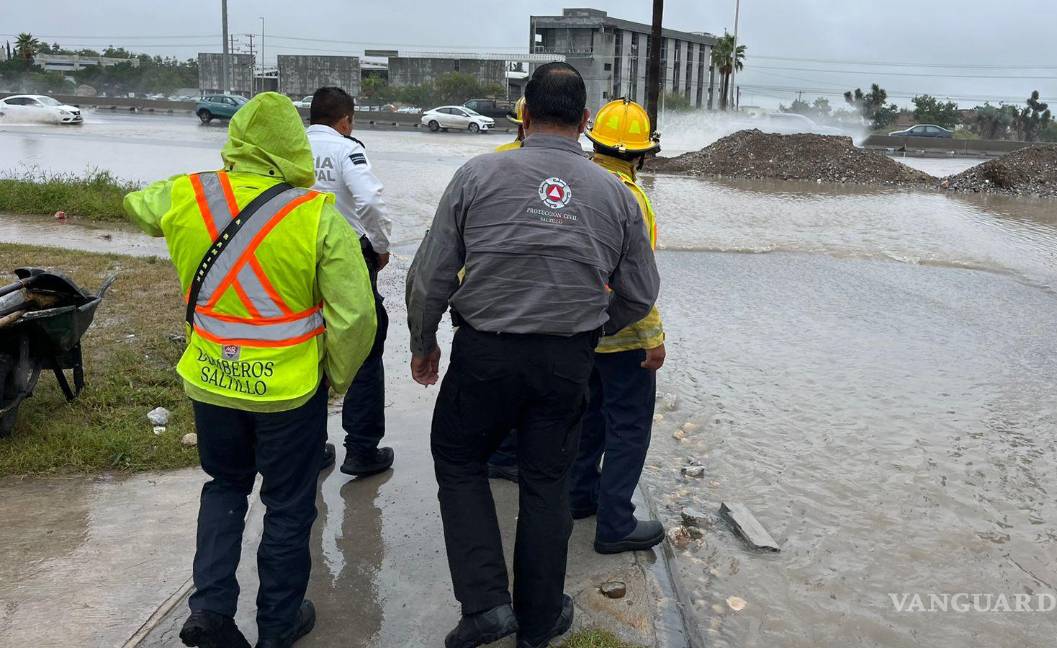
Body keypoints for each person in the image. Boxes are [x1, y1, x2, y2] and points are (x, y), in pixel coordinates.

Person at [406, 63, 660, 648]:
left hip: (484, 354)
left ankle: (486, 606)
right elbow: (641, 293)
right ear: (584, 120)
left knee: (459, 459)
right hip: (566, 363)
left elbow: (429, 276)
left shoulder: (476, 175)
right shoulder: (616, 195)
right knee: (548, 481)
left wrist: (424, 342)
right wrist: (592, 329)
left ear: (523, 113)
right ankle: (540, 621)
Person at [123, 92, 376, 648]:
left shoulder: (188, 193)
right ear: (293, 147)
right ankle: (278, 627)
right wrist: (335, 377)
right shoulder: (316, 215)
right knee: (287, 505)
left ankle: (211, 610)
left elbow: (136, 204)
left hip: (212, 381)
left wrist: (191, 195)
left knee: (224, 487)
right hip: (289, 392)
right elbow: (356, 317)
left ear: (236, 139)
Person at [569, 98, 668, 554]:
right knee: (629, 428)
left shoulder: (575, 184)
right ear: (641, 155)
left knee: (588, 418)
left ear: (596, 143)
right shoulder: (632, 198)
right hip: (624, 333)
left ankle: (579, 497)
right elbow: (639, 280)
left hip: (580, 327)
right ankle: (615, 524)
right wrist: (654, 338)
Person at [305, 86, 396, 477]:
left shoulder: (289, 149)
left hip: (293, 257)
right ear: (345, 121)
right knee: (364, 345)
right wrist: (381, 246)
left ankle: (309, 449)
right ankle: (361, 450)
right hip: (345, 259)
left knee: (306, 345)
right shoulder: (347, 150)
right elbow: (370, 201)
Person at [485, 94, 527, 482]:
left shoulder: (490, 162)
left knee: (498, 383)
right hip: (533, 294)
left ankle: (497, 451)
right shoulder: (572, 170)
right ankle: (508, 455)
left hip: (493, 290)